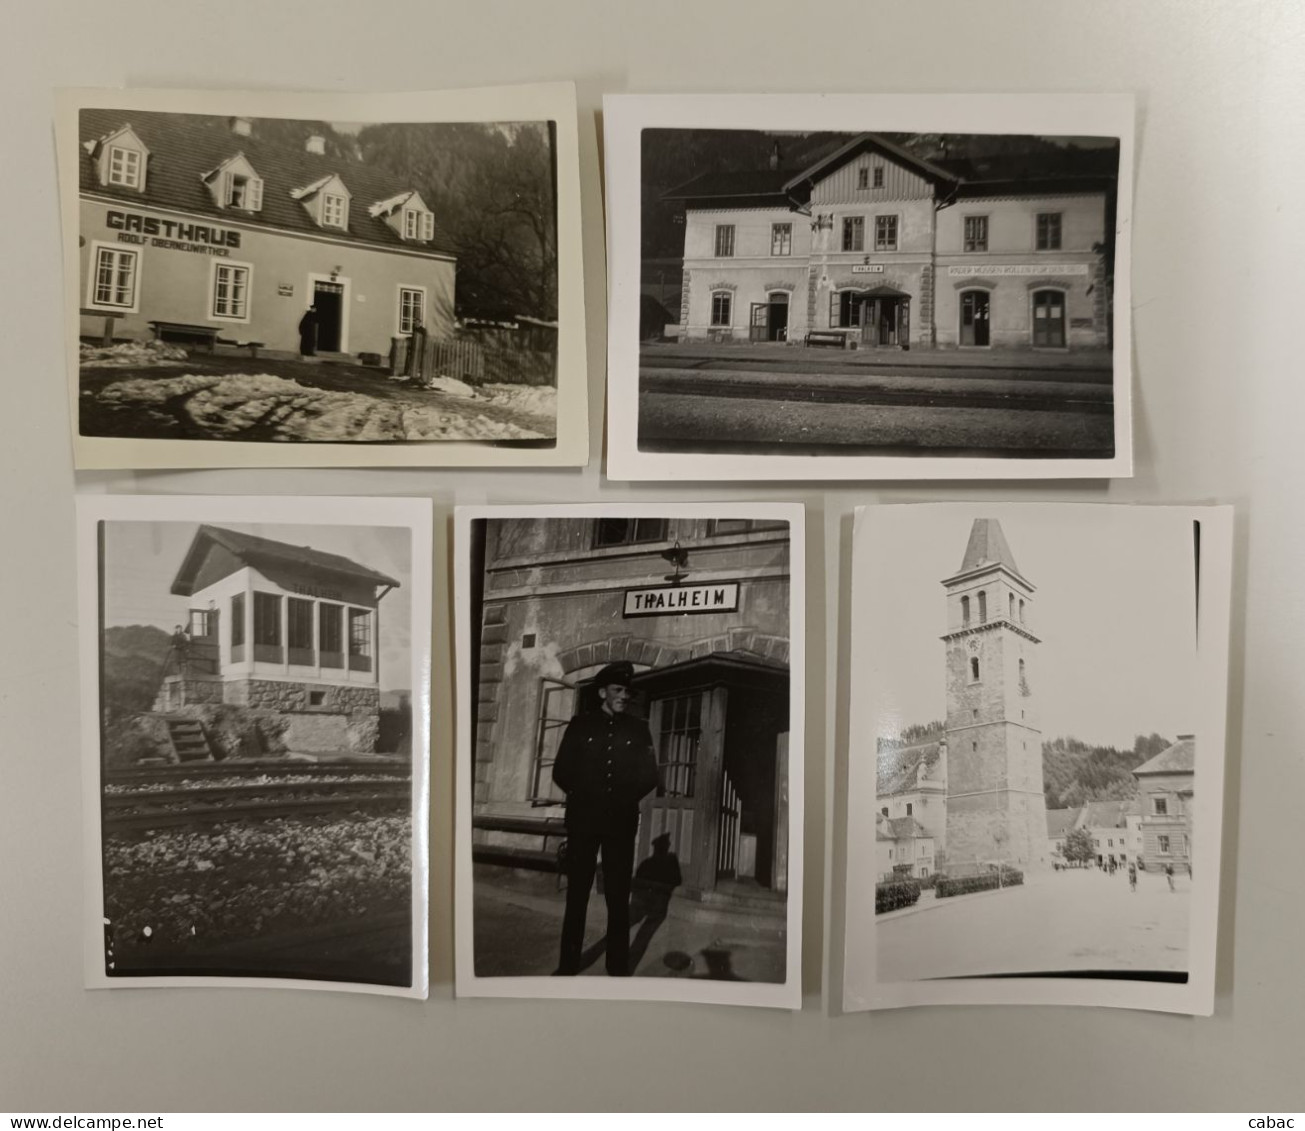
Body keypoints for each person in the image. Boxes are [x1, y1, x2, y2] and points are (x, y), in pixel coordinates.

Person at [552, 661, 660, 977]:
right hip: (584, 822)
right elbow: (561, 771)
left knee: (616, 897)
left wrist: (622, 798)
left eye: (627, 691)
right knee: (577, 896)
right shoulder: (580, 726)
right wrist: (588, 797)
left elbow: (649, 775)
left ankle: (617, 968)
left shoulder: (638, 730)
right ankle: (568, 966)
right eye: (617, 690)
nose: (624, 696)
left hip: (620, 824)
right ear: (602, 692)